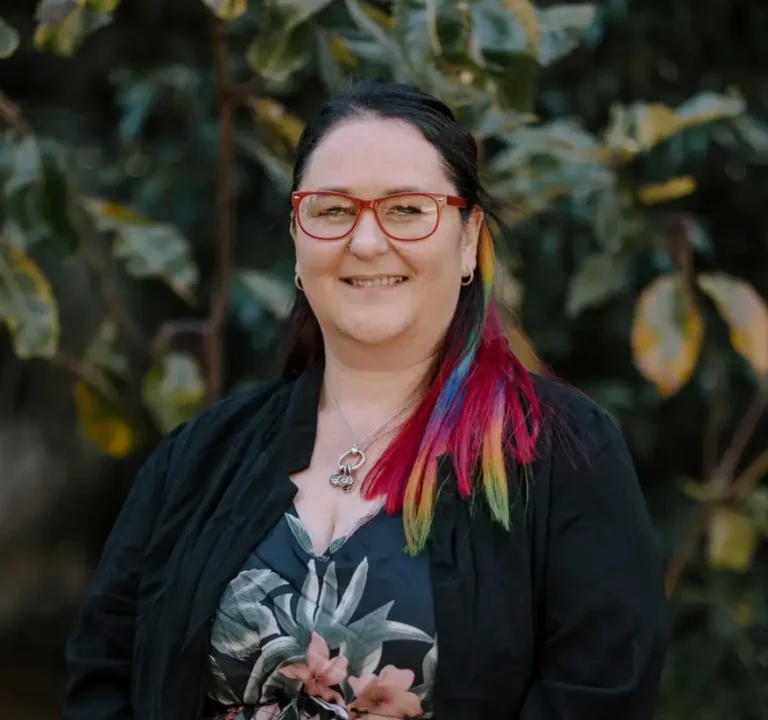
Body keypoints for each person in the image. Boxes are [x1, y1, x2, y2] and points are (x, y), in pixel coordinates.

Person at [62, 79, 668, 720]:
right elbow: (104, 679)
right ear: (298, 239)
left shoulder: (561, 451)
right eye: (333, 210)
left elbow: (601, 693)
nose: (368, 241)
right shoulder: (198, 457)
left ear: (467, 241)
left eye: (407, 209)